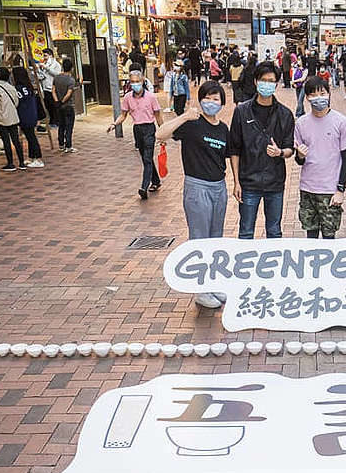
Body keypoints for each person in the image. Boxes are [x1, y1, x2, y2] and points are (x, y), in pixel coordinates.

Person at [157, 81, 230, 308]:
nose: (211, 102)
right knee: (199, 238)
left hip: (219, 187)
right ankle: (200, 290)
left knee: (215, 238)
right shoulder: (192, 124)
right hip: (197, 187)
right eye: (207, 98)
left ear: (222, 103)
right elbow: (161, 134)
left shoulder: (223, 129)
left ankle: (212, 283)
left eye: (216, 99)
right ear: (200, 100)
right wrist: (184, 117)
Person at [228, 62, 295, 239]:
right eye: (263, 80)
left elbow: (290, 148)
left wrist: (280, 152)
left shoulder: (285, 114)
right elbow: (234, 149)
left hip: (275, 182)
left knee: (274, 231)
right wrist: (236, 182)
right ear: (256, 82)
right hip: (248, 182)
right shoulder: (242, 111)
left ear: (276, 84)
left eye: (271, 81)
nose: (267, 84)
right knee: (246, 231)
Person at [293, 77, 346, 240]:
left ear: (328, 94)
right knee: (310, 234)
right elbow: (299, 161)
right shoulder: (301, 123)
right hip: (308, 188)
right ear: (306, 98)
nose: (318, 97)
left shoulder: (341, 122)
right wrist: (300, 155)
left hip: (330, 190)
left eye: (322, 93)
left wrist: (340, 189)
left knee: (329, 236)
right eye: (312, 94)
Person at [108, 69, 163, 199]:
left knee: (147, 158)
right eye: (132, 82)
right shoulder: (127, 97)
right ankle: (156, 181)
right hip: (137, 130)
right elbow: (123, 115)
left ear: (142, 81)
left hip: (149, 129)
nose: (135, 84)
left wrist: (163, 133)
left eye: (137, 81)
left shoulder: (151, 97)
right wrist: (114, 124)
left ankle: (144, 187)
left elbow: (158, 116)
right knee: (145, 158)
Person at [0, 66, 25, 171]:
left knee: (6, 141)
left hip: (2, 119)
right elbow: (16, 102)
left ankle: (10, 163)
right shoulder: (11, 87)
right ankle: (22, 162)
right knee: (16, 141)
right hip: (13, 117)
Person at [12, 66, 44, 168]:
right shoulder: (29, 87)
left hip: (24, 117)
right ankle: (32, 157)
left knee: (31, 138)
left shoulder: (17, 89)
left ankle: (38, 159)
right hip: (32, 115)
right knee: (31, 137)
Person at [52, 58, 78, 153]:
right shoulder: (71, 80)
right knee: (69, 126)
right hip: (68, 106)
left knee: (61, 126)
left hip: (59, 106)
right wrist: (63, 101)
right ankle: (68, 146)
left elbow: (53, 90)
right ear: (71, 68)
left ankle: (61, 145)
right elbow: (69, 93)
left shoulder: (56, 78)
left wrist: (57, 101)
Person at [36, 48, 62, 127]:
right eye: (44, 56)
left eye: (46, 55)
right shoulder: (44, 63)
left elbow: (57, 74)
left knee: (54, 105)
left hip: (53, 88)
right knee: (48, 105)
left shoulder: (56, 64)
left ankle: (56, 121)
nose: (44, 57)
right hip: (45, 88)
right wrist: (38, 70)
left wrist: (46, 67)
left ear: (51, 55)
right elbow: (42, 76)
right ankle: (52, 120)